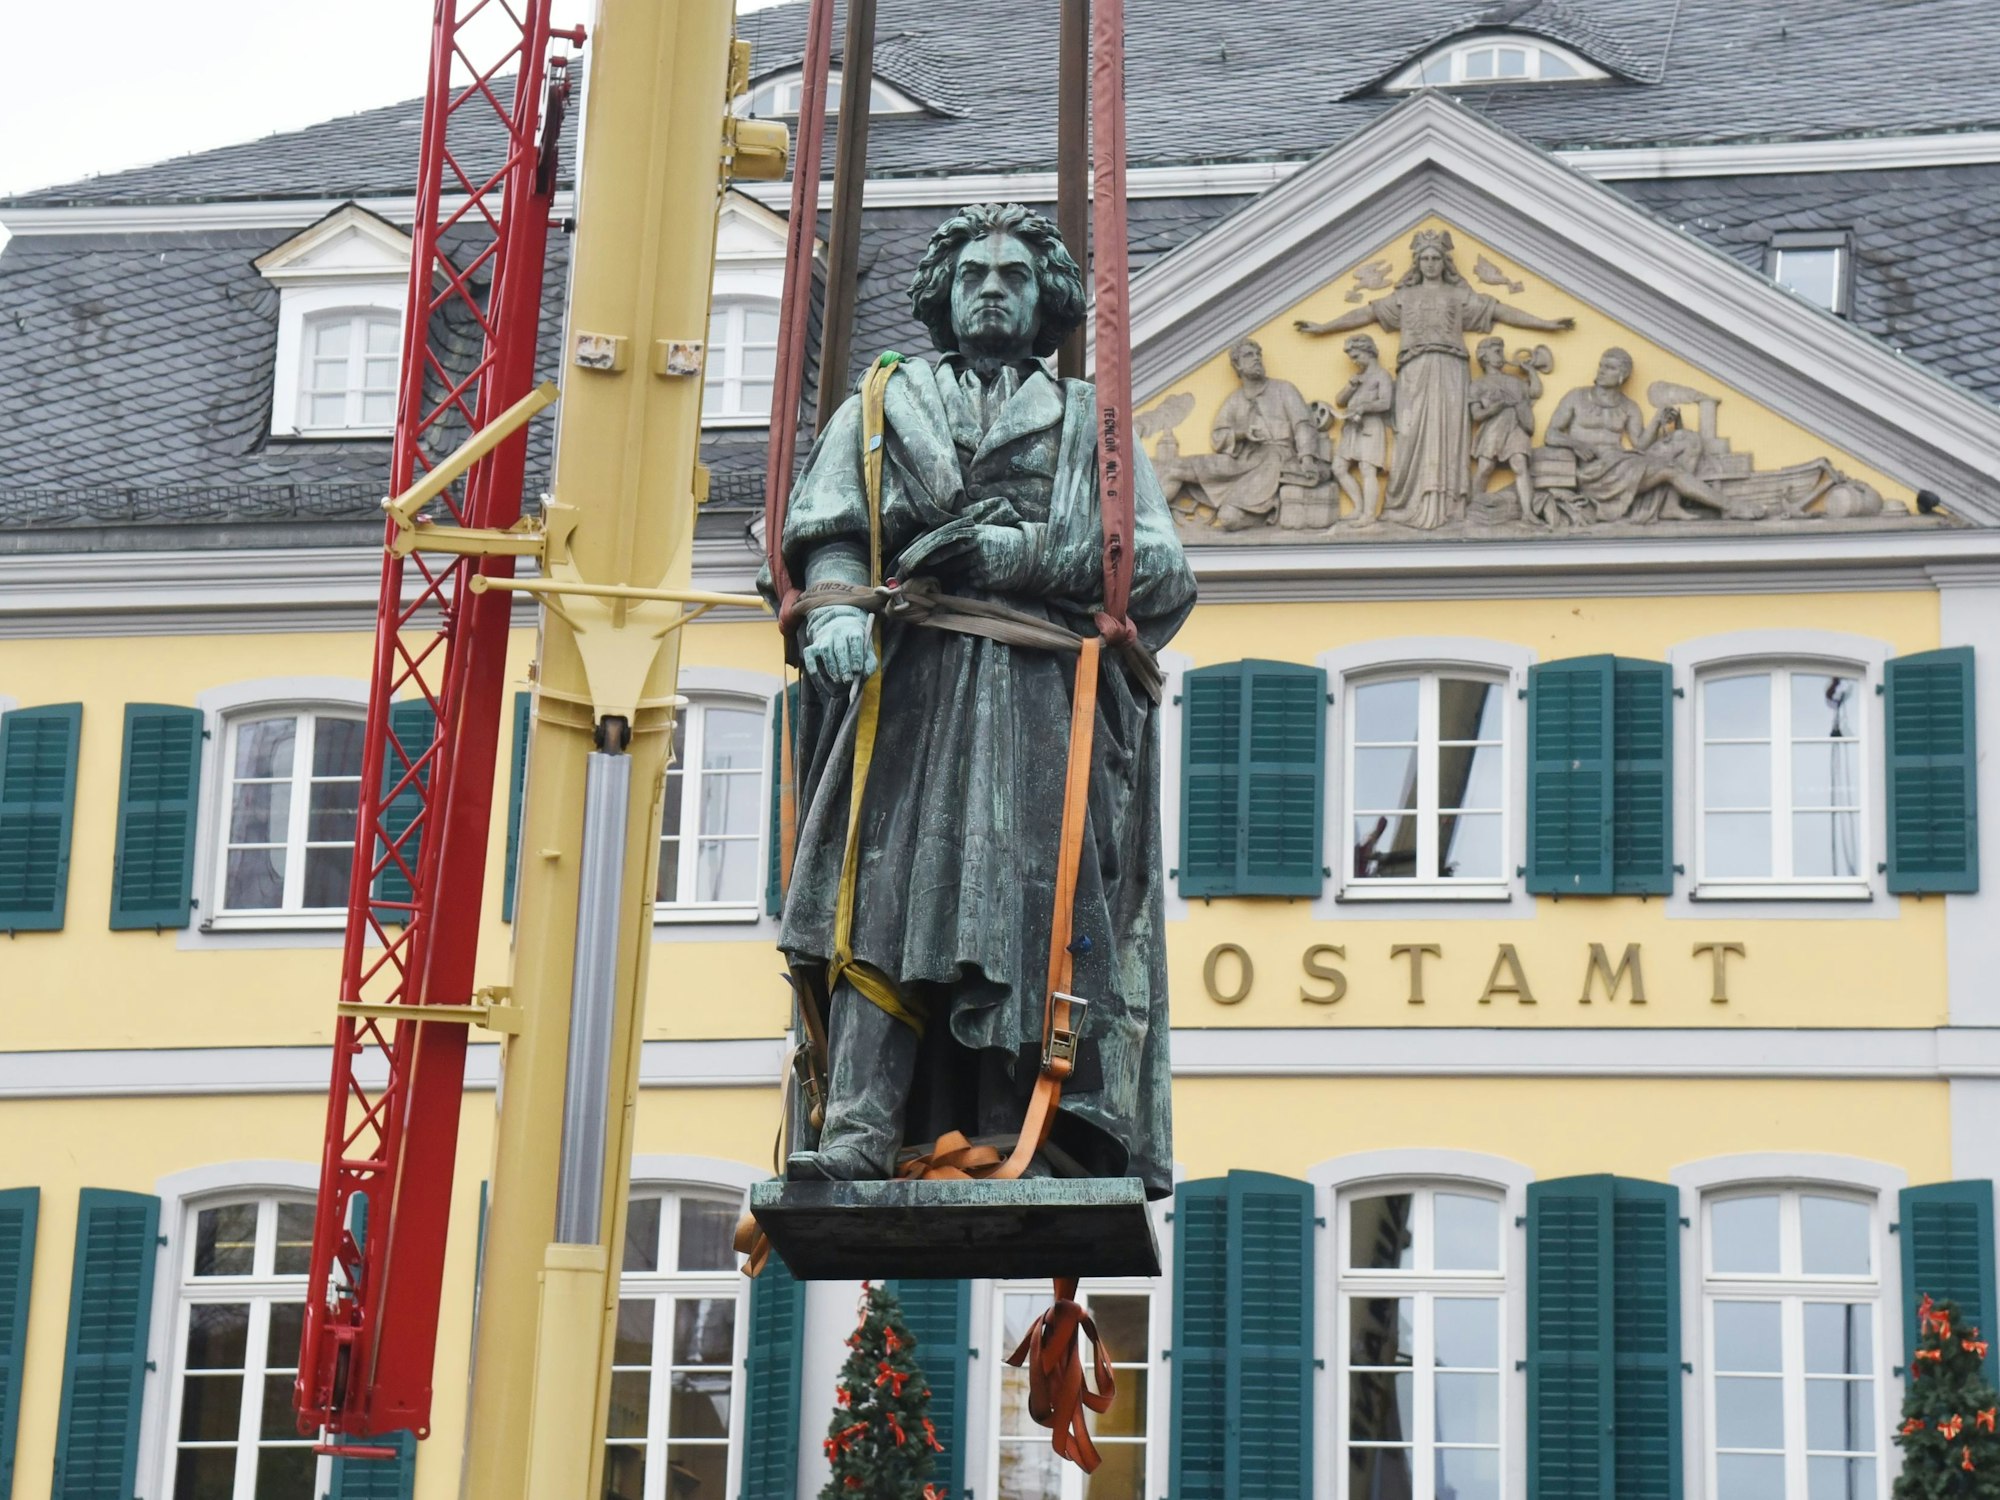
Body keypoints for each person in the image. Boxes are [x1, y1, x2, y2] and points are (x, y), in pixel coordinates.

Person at [771, 204, 1196, 1197]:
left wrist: (1024, 552)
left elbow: (1164, 571)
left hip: (1044, 699)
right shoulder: (878, 407)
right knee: (879, 896)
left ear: (1045, 298)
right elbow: (826, 532)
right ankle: (863, 1121)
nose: (992, 287)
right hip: (907, 691)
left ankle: (1024, 1126)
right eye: (971, 275)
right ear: (940, 297)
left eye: (1012, 273)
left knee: (1032, 906)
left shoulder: (1093, 422)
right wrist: (832, 614)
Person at [1296, 229, 1573, 529]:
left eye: (1435, 258)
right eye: (1424, 258)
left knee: (1449, 431)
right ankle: (1406, 503)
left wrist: (1544, 324)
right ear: (1417, 263)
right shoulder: (1405, 297)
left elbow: (1500, 310)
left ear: (1444, 263)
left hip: (1451, 370)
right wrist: (1324, 328)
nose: (1430, 264)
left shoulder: (1458, 295)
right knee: (1410, 433)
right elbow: (1366, 314)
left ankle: (1450, 505)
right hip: (1414, 373)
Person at [1540, 347, 1731, 524]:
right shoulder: (1576, 397)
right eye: (1602, 365)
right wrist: (1576, 445)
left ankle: (1671, 504)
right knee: (1669, 469)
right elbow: (1551, 434)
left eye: (1610, 367)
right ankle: (1729, 506)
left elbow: (1640, 445)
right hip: (1591, 473)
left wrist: (1657, 420)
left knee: (1688, 439)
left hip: (1620, 464)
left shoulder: (1629, 407)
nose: (1602, 370)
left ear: (1623, 375)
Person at [1152, 338, 1320, 530]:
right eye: (1249, 355)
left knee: (1229, 518)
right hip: (1240, 460)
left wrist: (1307, 458)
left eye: (1258, 355)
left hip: (1273, 462)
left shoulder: (1284, 390)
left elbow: (1303, 425)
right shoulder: (1235, 400)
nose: (1256, 359)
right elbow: (1219, 437)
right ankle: (1145, 525)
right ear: (1237, 365)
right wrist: (1242, 434)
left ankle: (1267, 513)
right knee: (1175, 468)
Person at [1467, 338, 1541, 519]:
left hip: (1516, 426)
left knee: (1520, 465)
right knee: (1485, 467)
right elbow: (1476, 415)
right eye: (1497, 351)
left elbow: (1534, 392)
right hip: (1494, 428)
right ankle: (1472, 507)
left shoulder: (1515, 381)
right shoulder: (1478, 384)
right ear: (1484, 356)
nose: (1502, 355)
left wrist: (1531, 372)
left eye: (1501, 350)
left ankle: (1528, 513)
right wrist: (1494, 408)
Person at [1331, 334, 1394, 523]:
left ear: (1369, 352)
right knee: (1338, 467)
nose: (1354, 361)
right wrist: (1351, 386)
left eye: (1356, 356)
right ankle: (1358, 508)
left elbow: (1385, 403)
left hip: (1370, 427)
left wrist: (1364, 406)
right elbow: (1340, 401)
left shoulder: (1381, 375)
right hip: (1352, 428)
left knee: (1367, 469)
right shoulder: (1358, 377)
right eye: (1352, 357)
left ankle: (1368, 514)